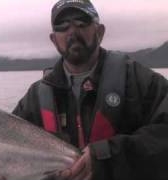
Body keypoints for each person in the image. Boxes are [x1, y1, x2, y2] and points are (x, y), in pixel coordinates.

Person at [13, 0, 168, 179]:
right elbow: (8, 145)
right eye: (62, 26)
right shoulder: (36, 97)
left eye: (81, 22)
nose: (72, 31)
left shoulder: (137, 80)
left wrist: (110, 155)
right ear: (54, 40)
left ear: (100, 32)